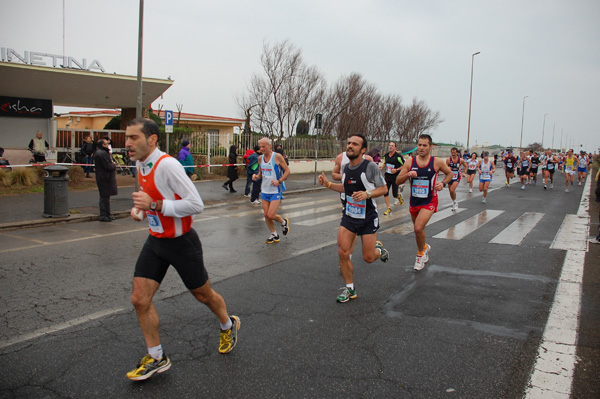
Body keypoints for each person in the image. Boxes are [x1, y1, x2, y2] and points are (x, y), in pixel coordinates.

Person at [125, 118, 240, 381]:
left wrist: (153, 205)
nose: (128, 143)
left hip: (182, 243)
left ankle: (227, 323)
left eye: (133, 138)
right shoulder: (141, 163)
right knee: (139, 299)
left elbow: (195, 204)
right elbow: (152, 199)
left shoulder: (168, 165)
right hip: (155, 241)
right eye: (127, 137)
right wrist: (141, 210)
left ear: (152, 140)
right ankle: (156, 358)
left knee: (203, 295)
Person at [317, 134, 390, 303]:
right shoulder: (346, 168)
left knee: (368, 258)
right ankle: (350, 289)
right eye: (348, 143)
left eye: (355, 144)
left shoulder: (370, 167)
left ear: (363, 149)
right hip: (349, 215)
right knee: (343, 251)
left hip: (367, 218)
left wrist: (367, 194)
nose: (350, 146)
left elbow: (384, 189)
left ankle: (380, 251)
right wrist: (327, 184)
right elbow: (345, 188)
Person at [396, 134, 453, 271]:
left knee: (418, 228)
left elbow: (450, 174)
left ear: (430, 147)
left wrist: (443, 184)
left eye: (424, 145)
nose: (421, 148)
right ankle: (425, 247)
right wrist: (407, 175)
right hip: (414, 201)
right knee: (418, 230)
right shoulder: (410, 162)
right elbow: (398, 181)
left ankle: (420, 255)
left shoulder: (437, 162)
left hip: (429, 201)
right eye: (419, 145)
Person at [252, 137, 290, 243]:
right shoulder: (260, 158)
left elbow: (287, 171)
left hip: (275, 190)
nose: (262, 148)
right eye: (260, 146)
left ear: (269, 146)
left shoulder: (277, 157)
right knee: (266, 215)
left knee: (271, 215)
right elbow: (261, 173)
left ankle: (283, 222)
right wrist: (256, 176)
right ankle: (274, 234)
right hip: (264, 190)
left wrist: (279, 180)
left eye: (264, 146)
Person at [93, 138, 117, 222]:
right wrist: (114, 165)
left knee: (106, 197)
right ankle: (104, 215)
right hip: (104, 177)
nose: (108, 145)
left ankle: (107, 214)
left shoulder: (101, 153)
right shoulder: (102, 153)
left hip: (103, 177)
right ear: (103, 145)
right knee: (104, 197)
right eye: (106, 144)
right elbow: (107, 166)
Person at [380, 141, 405, 215]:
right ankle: (388, 208)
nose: (390, 147)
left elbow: (404, 166)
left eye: (392, 146)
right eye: (389, 145)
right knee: (385, 192)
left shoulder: (398, 156)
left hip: (395, 177)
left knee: (394, 194)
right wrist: (382, 166)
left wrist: (396, 170)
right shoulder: (386, 155)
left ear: (395, 148)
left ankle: (399, 196)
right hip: (387, 176)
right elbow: (385, 163)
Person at [446, 147, 466, 211]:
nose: (453, 154)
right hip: (450, 177)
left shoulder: (461, 160)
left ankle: (455, 203)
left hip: (457, 176)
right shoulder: (448, 160)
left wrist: (464, 172)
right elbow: (445, 168)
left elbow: (465, 165)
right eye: (452, 152)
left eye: (454, 152)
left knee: (452, 189)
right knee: (450, 191)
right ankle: (454, 201)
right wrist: (448, 169)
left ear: (457, 153)